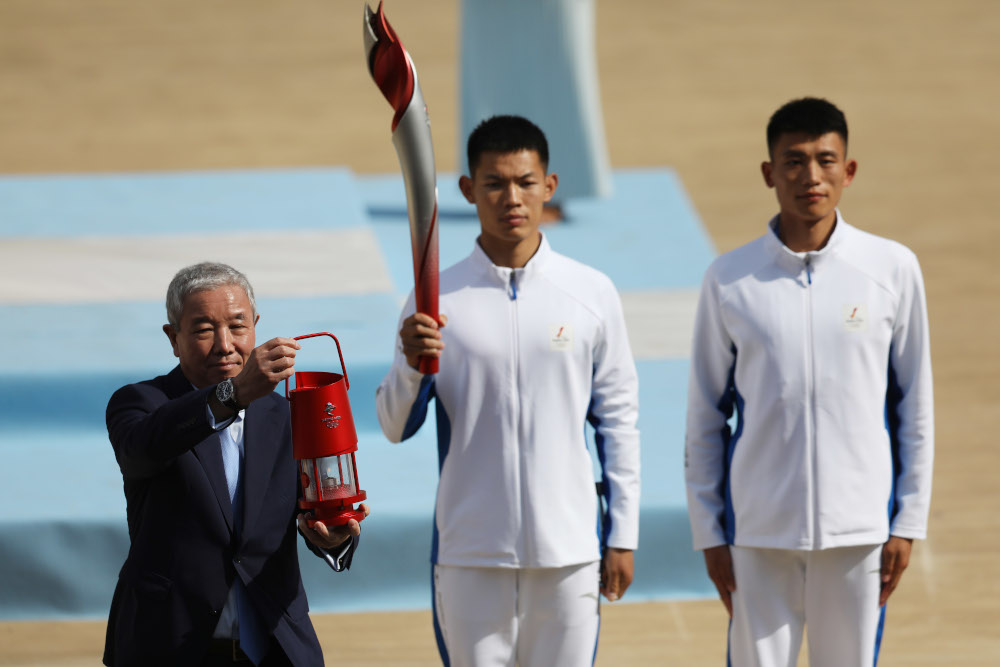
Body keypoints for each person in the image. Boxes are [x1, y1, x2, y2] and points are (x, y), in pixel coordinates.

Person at [376, 115, 640, 666]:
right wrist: (410, 365)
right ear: (468, 189)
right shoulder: (433, 299)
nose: (511, 198)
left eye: (525, 182)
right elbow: (394, 426)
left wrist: (622, 535)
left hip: (569, 553)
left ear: (550, 186)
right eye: (494, 183)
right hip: (470, 555)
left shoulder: (591, 294)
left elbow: (618, 422)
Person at [684, 97, 934, 666]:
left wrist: (907, 521)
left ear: (849, 170)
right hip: (758, 532)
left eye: (825, 160)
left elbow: (914, 406)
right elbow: (704, 414)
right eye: (793, 162)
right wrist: (710, 531)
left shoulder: (892, 270)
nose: (810, 177)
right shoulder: (730, 280)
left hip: (858, 531)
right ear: (769, 173)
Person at [104, 262, 368, 666]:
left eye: (237, 326)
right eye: (204, 329)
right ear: (173, 338)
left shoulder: (290, 417)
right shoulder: (142, 404)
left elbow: (315, 511)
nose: (225, 345)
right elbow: (140, 451)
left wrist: (333, 540)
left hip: (273, 647)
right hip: (168, 645)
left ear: (256, 327)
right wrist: (232, 395)